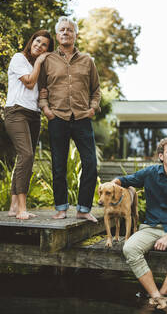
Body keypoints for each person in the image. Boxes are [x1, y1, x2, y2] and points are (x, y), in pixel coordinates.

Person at [112, 137, 167, 309]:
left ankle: (162, 294)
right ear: (161, 156)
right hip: (151, 227)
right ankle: (155, 295)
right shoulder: (150, 173)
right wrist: (112, 184)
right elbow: (124, 180)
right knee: (130, 248)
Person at [38, 16, 101, 221]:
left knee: (90, 163)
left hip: (82, 117)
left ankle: (83, 209)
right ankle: (61, 208)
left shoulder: (87, 61)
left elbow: (96, 89)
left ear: (75, 34)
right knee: (58, 165)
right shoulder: (48, 60)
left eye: (69, 30)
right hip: (58, 117)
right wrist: (46, 109)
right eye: (62, 30)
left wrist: (92, 108)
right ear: (57, 35)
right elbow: (42, 89)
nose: (66, 33)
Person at [4, 30, 54, 220]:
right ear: (31, 41)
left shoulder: (39, 67)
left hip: (34, 115)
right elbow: (29, 83)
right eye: (37, 41)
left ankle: (14, 205)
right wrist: (40, 62)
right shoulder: (19, 58)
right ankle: (21, 209)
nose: (39, 46)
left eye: (44, 45)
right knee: (26, 154)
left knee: (24, 159)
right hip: (16, 112)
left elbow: (40, 91)